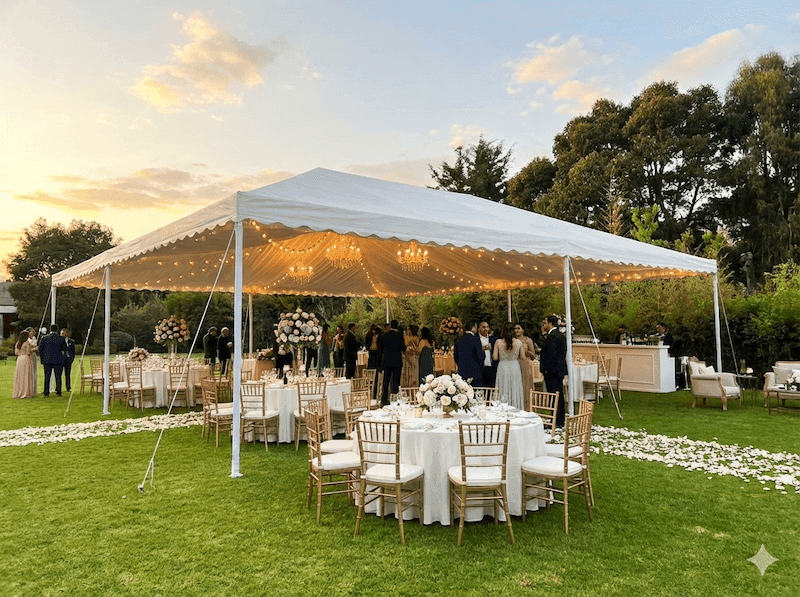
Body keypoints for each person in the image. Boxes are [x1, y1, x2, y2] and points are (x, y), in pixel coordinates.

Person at [540, 315, 568, 427]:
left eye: (544, 323)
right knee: (559, 394)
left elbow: (551, 355)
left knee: (554, 395)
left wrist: (546, 369)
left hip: (553, 371)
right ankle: (559, 419)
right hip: (559, 369)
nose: (543, 325)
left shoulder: (552, 336)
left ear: (550, 324)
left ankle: (556, 420)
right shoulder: (560, 335)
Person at [493, 322, 524, 409]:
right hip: (514, 366)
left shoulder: (498, 342)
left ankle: (502, 409)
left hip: (503, 366)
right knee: (515, 388)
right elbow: (523, 357)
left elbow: (495, 357)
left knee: (503, 388)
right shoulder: (518, 342)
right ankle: (516, 407)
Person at [377, 319, 404, 404]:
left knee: (386, 381)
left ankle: (384, 399)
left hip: (386, 361)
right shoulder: (399, 336)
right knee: (396, 381)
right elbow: (403, 348)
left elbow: (380, 349)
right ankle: (395, 399)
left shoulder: (384, 336)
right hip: (397, 361)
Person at [39, 324, 68, 397]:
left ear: (50, 329)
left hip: (47, 360)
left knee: (47, 377)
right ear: (57, 329)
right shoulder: (61, 338)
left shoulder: (44, 338)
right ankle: (58, 391)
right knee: (58, 376)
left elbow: (40, 349)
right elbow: (64, 348)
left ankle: (46, 392)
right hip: (58, 359)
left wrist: (42, 359)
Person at [514, 323, 536, 406]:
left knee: (526, 386)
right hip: (515, 364)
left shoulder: (528, 340)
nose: (517, 330)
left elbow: (533, 355)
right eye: (515, 328)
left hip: (526, 364)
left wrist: (524, 351)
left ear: (522, 330)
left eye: (519, 328)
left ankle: (527, 406)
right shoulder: (512, 340)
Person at [12, 329, 37, 399]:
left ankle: (18, 392)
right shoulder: (26, 343)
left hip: (19, 359)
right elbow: (28, 352)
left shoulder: (18, 343)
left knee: (20, 375)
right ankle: (25, 392)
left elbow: (16, 352)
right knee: (26, 375)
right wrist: (34, 349)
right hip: (26, 359)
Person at [477, 321, 498, 388]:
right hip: (479, 368)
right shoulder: (475, 339)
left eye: (487, 327)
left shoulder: (494, 339)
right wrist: (481, 348)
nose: (486, 329)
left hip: (491, 368)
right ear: (479, 328)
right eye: (483, 327)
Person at [60, 328, 76, 393]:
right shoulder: (58, 341)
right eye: (61, 333)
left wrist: (71, 359)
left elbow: (73, 351)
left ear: (66, 333)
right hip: (60, 360)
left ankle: (68, 388)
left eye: (63, 333)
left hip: (68, 360)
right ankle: (58, 388)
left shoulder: (71, 341)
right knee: (59, 374)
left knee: (68, 374)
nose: (62, 335)